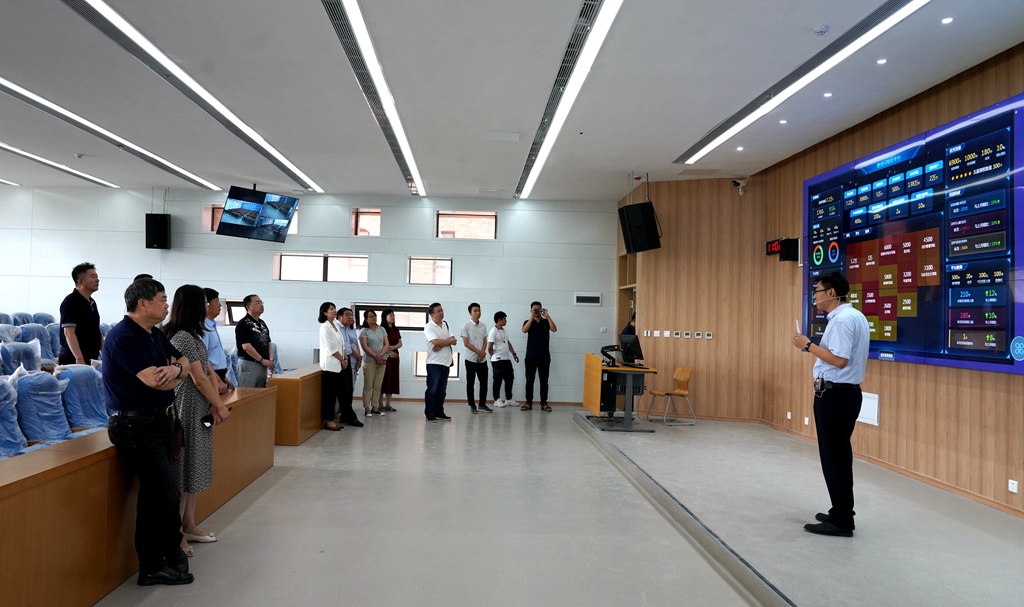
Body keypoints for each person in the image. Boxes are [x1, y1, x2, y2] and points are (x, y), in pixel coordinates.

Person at [103, 278, 193, 585]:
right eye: (162, 299)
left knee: (156, 496)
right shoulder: (124, 337)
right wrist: (178, 375)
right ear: (143, 304)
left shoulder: (153, 333)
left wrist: (176, 370)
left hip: (160, 422)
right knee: (164, 494)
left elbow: (185, 363)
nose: (167, 305)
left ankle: (158, 561)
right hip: (135, 426)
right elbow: (155, 382)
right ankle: (157, 562)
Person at [791, 271, 870, 537]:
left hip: (836, 395)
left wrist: (807, 345)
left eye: (817, 291)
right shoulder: (854, 316)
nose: (814, 296)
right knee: (838, 456)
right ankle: (840, 510)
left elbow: (839, 360)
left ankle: (842, 520)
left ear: (832, 293)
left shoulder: (843, 320)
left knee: (835, 457)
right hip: (845, 395)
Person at [163, 285, 232, 557]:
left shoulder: (195, 335)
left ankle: (189, 524)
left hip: (202, 411)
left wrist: (214, 403)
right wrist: (220, 407)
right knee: (183, 468)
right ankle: (176, 533)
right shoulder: (181, 337)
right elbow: (197, 378)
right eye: (203, 302)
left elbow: (209, 371)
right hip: (188, 410)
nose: (207, 306)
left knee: (197, 463)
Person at [318, 302, 362, 430]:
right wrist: (342, 359)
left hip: (341, 364)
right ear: (325, 313)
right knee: (330, 395)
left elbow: (343, 344)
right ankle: (328, 421)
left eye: (334, 308)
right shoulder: (325, 327)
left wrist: (345, 358)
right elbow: (331, 348)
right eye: (331, 309)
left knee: (346, 391)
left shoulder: (335, 326)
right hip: (331, 365)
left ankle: (347, 416)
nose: (334, 310)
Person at [58, 262, 103, 365]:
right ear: (81, 281)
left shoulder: (92, 302)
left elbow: (95, 327)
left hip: (91, 355)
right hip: (74, 357)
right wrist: (79, 358)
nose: (97, 280)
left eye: (97, 277)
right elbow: (69, 332)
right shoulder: (71, 302)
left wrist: (103, 349)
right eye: (93, 277)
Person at [423, 303, 457, 422]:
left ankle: (439, 412)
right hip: (434, 363)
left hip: (446, 362)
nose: (441, 312)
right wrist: (446, 342)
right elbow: (435, 342)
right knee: (432, 390)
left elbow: (454, 340)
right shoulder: (429, 327)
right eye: (438, 311)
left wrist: (442, 344)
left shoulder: (446, 324)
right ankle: (430, 413)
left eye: (442, 310)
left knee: (441, 390)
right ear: (432, 314)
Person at [521, 301, 557, 411]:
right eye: (534, 309)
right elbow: (524, 330)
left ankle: (544, 403)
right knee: (529, 381)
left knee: (544, 381)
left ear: (542, 310)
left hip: (544, 356)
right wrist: (532, 317)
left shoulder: (546, 321)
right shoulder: (528, 321)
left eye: (538, 309)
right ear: (531, 310)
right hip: (531, 356)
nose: (537, 311)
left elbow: (554, 329)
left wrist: (547, 316)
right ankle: (528, 403)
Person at [234, 294, 274, 388]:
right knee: (247, 394)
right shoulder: (243, 324)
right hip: (249, 364)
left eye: (261, 302)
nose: (261, 305)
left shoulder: (262, 323)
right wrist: (262, 360)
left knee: (260, 394)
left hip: (263, 364)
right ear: (248, 307)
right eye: (257, 303)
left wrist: (270, 360)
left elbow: (268, 342)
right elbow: (246, 347)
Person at [201, 288, 233, 395]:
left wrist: (222, 377)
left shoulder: (212, 325)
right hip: (209, 375)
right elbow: (203, 358)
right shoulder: (203, 328)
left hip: (218, 374)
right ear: (206, 304)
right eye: (217, 302)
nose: (220, 305)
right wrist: (217, 380)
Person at [461, 303, 492, 413]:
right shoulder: (465, 326)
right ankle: (472, 404)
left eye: (479, 310)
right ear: (470, 313)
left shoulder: (483, 325)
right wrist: (479, 352)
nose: (478, 313)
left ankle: (482, 404)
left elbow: (485, 340)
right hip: (470, 359)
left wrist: (482, 354)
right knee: (471, 383)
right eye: (475, 311)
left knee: (484, 383)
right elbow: (466, 343)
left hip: (482, 359)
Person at [359, 310, 389, 417]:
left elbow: (386, 343)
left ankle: (375, 407)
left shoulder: (382, 329)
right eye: (371, 316)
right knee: (368, 385)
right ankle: (367, 408)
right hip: (369, 361)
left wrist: (381, 354)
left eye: (375, 316)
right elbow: (364, 346)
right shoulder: (364, 331)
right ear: (366, 319)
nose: (373, 318)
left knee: (377, 385)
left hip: (382, 360)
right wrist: (375, 356)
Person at [488, 311, 519, 408]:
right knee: (498, 380)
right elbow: (489, 346)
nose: (506, 320)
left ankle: (508, 399)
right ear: (499, 320)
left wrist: (514, 354)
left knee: (510, 378)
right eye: (504, 319)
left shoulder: (504, 331)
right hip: (497, 360)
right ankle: (496, 399)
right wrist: (492, 355)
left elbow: (507, 343)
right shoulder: (493, 331)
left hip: (506, 359)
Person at [338, 307, 362, 418]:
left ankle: (347, 409)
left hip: (353, 360)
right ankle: (344, 410)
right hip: (346, 360)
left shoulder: (350, 329)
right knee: (346, 388)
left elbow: (355, 344)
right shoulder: (338, 328)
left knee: (351, 387)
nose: (350, 317)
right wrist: (357, 356)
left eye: (351, 315)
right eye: (347, 315)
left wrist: (359, 358)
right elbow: (346, 347)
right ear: (340, 317)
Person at [380, 309, 402, 413]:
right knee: (383, 380)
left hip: (395, 357)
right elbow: (380, 343)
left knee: (392, 380)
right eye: (390, 315)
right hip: (385, 356)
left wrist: (393, 347)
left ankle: (388, 404)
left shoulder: (395, 329)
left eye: (393, 315)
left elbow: (400, 343)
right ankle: (380, 404)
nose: (392, 317)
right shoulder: (381, 329)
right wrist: (388, 351)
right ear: (385, 317)